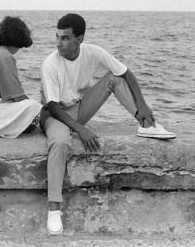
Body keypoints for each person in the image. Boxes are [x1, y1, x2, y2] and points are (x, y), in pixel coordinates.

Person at [40, 13, 176, 235]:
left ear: (80, 39)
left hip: (79, 108)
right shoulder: (50, 64)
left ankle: (147, 125)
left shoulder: (93, 52)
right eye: (56, 37)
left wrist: (143, 105)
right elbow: (53, 106)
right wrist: (81, 129)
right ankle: (54, 210)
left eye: (64, 38)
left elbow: (126, 73)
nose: (58, 43)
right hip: (54, 115)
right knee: (61, 143)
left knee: (115, 79)